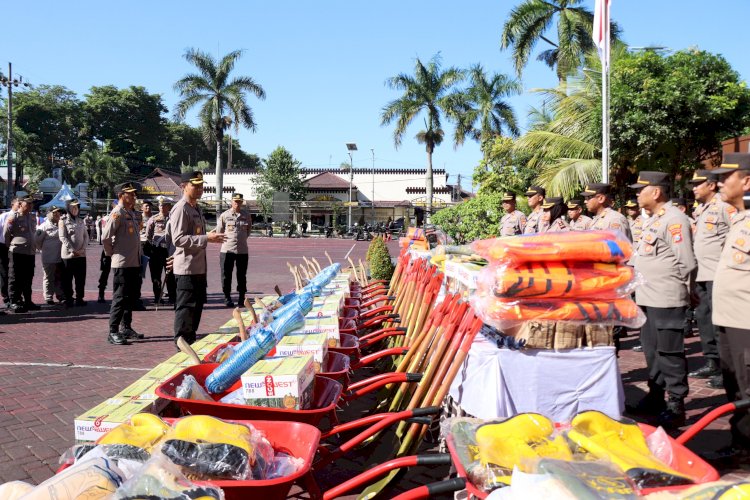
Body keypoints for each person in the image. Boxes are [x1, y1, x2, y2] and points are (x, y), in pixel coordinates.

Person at [628, 171, 696, 428]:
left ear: (656, 192)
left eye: (640, 190)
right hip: (648, 296)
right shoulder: (655, 219)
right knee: (651, 351)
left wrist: (686, 294)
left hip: (667, 298)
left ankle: (676, 404)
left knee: (670, 353)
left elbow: (686, 263)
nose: (636, 194)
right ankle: (655, 397)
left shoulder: (674, 219)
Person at [711, 152, 750, 457]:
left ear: (746, 181)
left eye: (726, 177)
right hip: (729, 318)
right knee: (735, 388)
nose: (719, 182)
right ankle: (741, 447)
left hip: (746, 322)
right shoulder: (739, 217)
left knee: (748, 390)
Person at [686, 169, 735, 387]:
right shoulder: (704, 210)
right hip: (703, 275)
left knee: (720, 324)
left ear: (711, 185)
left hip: (718, 274)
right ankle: (712, 362)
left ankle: (727, 369)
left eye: (698, 184)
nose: (694, 188)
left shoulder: (725, 207)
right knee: (705, 320)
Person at [168, 171, 225, 345]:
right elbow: (178, 239)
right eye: (195, 185)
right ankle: (182, 344)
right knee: (186, 308)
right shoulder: (181, 209)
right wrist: (207, 238)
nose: (200, 189)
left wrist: (209, 236)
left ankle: (190, 340)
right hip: (186, 268)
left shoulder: (196, 208)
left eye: (201, 185)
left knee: (197, 306)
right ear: (183, 186)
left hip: (198, 266)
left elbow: (196, 235)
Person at [102, 182, 144, 345]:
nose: (134, 196)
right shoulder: (117, 213)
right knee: (119, 297)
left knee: (130, 297)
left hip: (133, 262)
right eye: (130, 194)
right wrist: (111, 253)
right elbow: (106, 237)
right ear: (121, 195)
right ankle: (113, 331)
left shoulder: (130, 213)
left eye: (134, 194)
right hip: (122, 263)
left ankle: (126, 327)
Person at [3, 195, 39, 313]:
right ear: (20, 204)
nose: (30, 206)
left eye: (31, 203)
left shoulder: (32, 216)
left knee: (28, 277)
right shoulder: (13, 217)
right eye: (27, 203)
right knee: (15, 277)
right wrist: (11, 246)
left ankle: (27, 301)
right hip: (17, 252)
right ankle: (14, 301)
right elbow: (6, 234)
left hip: (30, 252)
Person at [216, 193, 250, 307]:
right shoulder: (224, 215)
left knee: (242, 275)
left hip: (242, 250)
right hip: (227, 250)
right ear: (231, 202)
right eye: (235, 201)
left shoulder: (246, 215)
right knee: (226, 275)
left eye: (239, 201)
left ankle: (241, 297)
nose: (237, 203)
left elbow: (248, 231)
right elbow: (219, 232)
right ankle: (227, 297)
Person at [59, 198, 89, 307]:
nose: (75, 209)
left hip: (81, 254)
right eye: (73, 207)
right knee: (67, 278)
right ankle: (68, 298)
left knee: (80, 278)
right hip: (68, 255)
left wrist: (82, 249)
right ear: (68, 208)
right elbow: (63, 237)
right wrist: (72, 250)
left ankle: (79, 298)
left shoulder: (81, 221)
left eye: (77, 207)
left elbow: (86, 237)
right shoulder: (63, 221)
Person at [146, 197, 176, 305]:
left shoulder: (174, 219)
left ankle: (173, 297)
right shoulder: (153, 219)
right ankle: (158, 297)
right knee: (156, 275)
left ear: (168, 207)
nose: (161, 207)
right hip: (157, 250)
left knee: (171, 275)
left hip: (169, 251)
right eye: (160, 205)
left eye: (164, 205)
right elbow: (148, 235)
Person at [35, 206, 65, 305]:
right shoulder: (43, 226)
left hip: (60, 257)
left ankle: (60, 295)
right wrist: (43, 249)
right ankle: (48, 297)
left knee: (59, 277)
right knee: (48, 277)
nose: (57, 214)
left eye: (58, 212)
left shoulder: (61, 224)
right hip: (48, 257)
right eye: (54, 213)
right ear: (49, 214)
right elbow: (37, 241)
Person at [0, 196, 19, 307]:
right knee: (4, 273)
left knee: (16, 273)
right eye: (18, 204)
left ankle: (15, 296)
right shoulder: (4, 216)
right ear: (13, 204)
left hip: (17, 248)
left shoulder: (23, 217)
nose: (20, 206)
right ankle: (6, 297)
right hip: (3, 247)